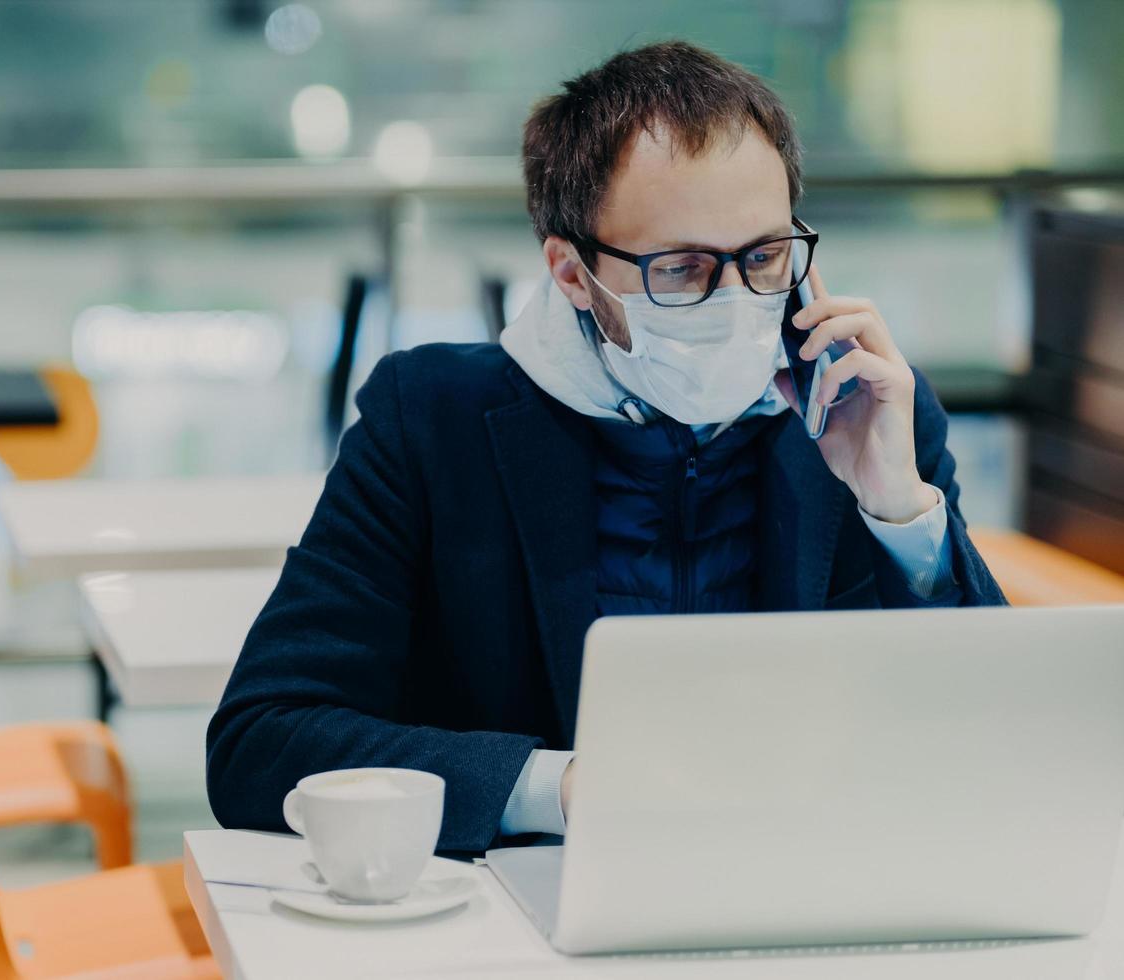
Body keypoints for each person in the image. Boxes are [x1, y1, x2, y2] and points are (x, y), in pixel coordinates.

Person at [206, 40, 1006, 853]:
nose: (735, 300)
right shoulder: (433, 421)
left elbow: (998, 747)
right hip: (523, 924)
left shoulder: (866, 411)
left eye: (765, 257)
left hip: (806, 890)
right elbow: (261, 744)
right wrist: (558, 789)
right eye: (682, 269)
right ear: (570, 272)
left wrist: (899, 511)